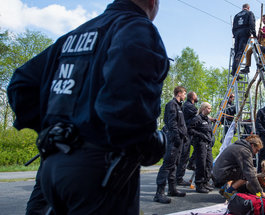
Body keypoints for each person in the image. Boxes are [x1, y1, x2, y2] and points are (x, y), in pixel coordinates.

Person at [7, 0, 167, 213]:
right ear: (152, 2)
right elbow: (128, 96)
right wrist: (147, 145)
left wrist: (56, 129)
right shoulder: (136, 27)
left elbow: (21, 84)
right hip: (100, 170)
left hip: (53, 167)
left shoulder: (76, 34)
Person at [154, 86, 188, 204]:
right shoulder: (171, 104)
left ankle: (172, 189)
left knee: (174, 165)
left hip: (179, 140)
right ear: (179, 93)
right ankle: (159, 193)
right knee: (167, 165)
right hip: (173, 140)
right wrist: (177, 137)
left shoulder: (179, 106)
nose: (185, 95)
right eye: (184, 93)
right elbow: (171, 122)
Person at [213, 135, 265, 199]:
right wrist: (260, 192)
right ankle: (229, 191)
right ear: (252, 145)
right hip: (222, 173)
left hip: (218, 171)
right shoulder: (244, 151)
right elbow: (250, 174)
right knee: (249, 173)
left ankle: (225, 187)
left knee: (246, 170)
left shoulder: (239, 145)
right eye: (257, 150)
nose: (257, 152)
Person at [189, 102, 214, 193]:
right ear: (204, 108)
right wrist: (201, 135)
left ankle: (205, 182)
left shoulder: (208, 119)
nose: (210, 110)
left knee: (209, 164)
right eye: (209, 108)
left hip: (208, 144)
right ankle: (199, 184)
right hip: (200, 144)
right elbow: (190, 129)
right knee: (201, 165)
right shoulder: (197, 118)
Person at [177, 91, 198, 186]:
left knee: (199, 146)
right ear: (193, 97)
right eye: (196, 95)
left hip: (190, 133)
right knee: (184, 155)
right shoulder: (189, 106)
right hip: (187, 133)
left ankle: (191, 163)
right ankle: (179, 178)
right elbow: (198, 117)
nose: (197, 97)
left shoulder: (189, 106)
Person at [231, 3, 256, 75]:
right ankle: (235, 72)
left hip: (237, 34)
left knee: (236, 52)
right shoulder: (249, 13)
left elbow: (233, 26)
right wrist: (254, 34)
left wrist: (234, 34)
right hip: (244, 33)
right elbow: (252, 23)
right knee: (240, 52)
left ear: (242, 8)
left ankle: (234, 70)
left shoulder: (236, 15)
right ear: (248, 8)